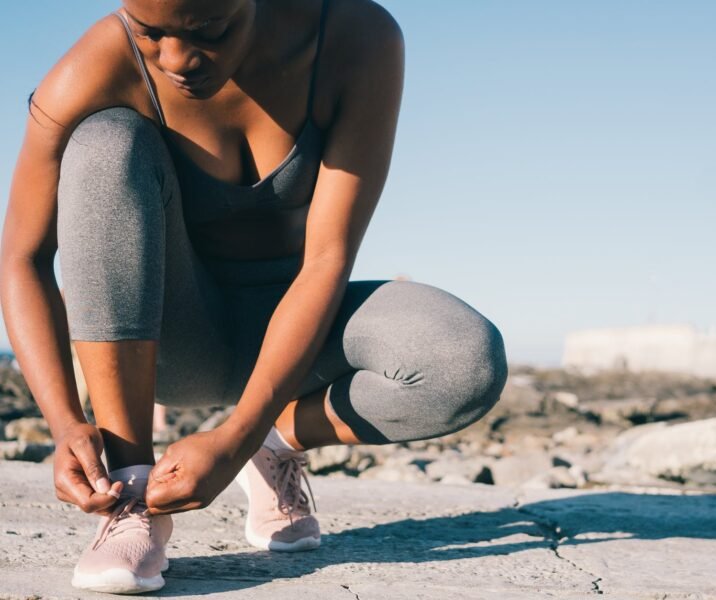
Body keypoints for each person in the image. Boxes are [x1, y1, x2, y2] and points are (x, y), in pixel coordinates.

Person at [0, 0, 508, 594]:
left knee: (462, 361)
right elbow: (22, 257)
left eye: (208, 30)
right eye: (150, 32)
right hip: (173, 340)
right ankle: (134, 495)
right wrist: (63, 423)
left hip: (300, 332)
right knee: (104, 140)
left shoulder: (355, 38)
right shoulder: (95, 67)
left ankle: (273, 446)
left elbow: (327, 260)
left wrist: (242, 433)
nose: (178, 59)